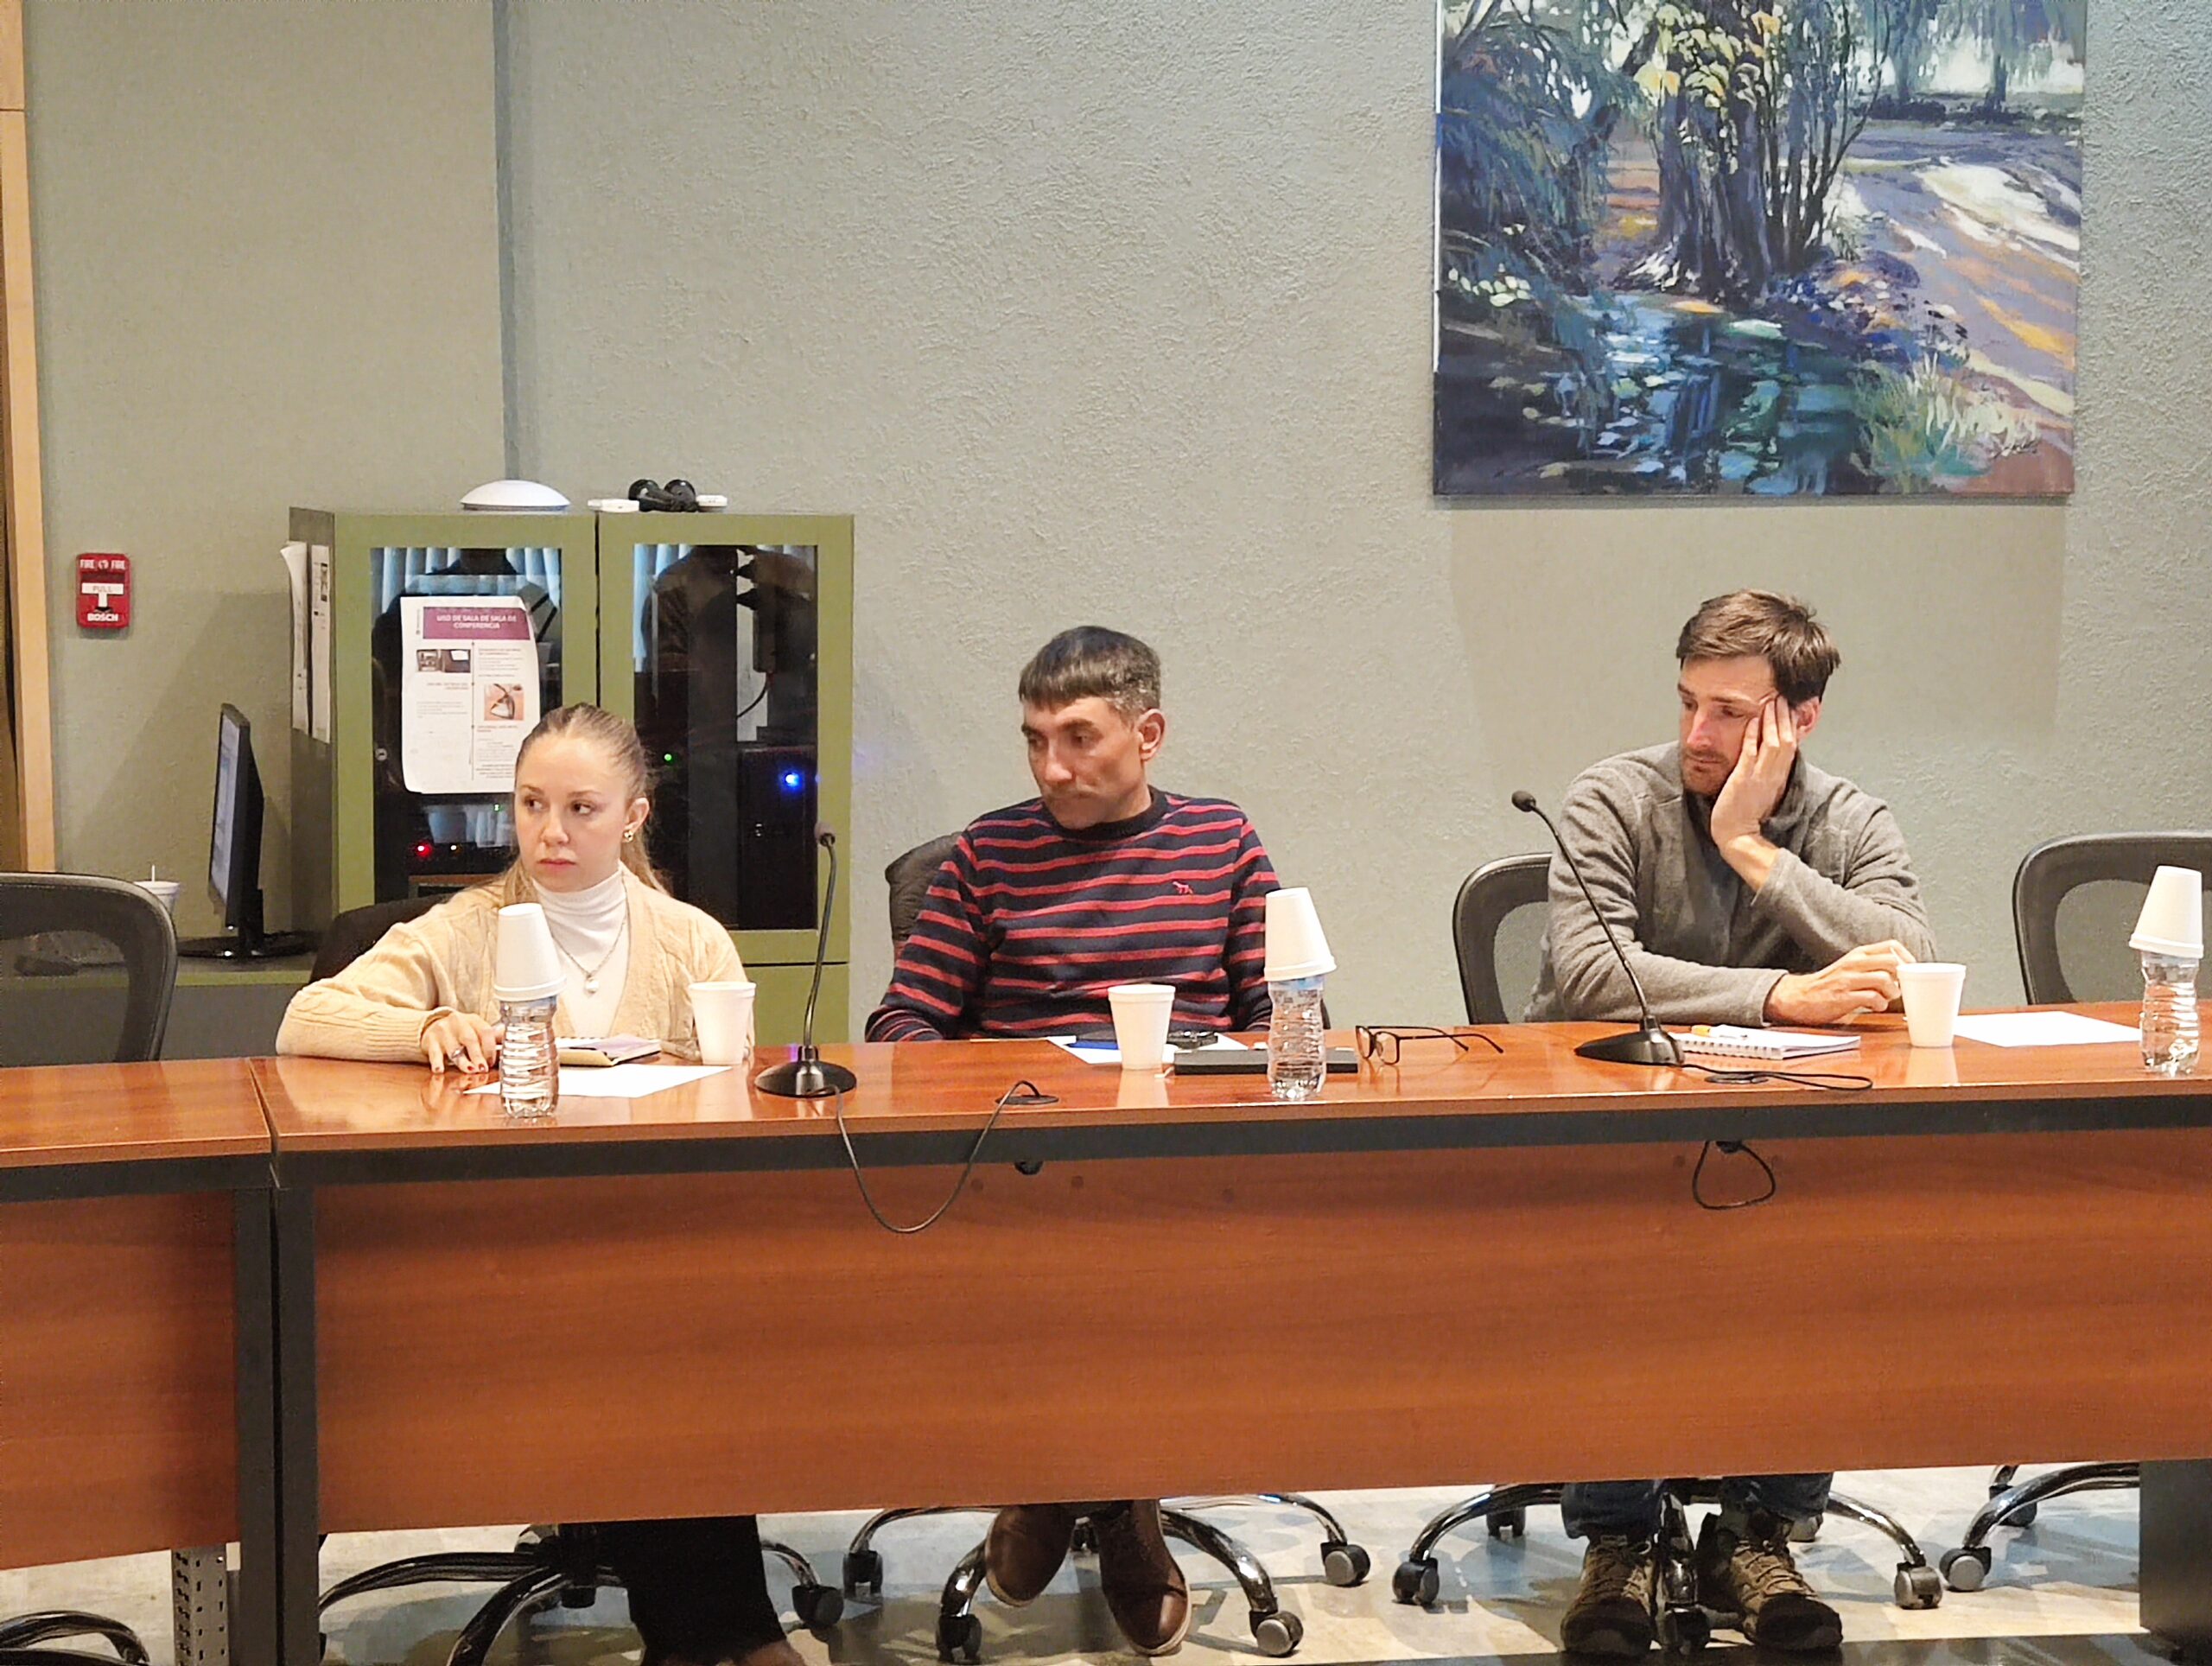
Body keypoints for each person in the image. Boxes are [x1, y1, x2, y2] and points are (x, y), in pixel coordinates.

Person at [277, 703, 798, 1666]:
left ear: (633, 817)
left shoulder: (691, 941)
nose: (550, 832)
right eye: (529, 805)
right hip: (492, 1244)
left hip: (648, 1236)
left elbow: (731, 1102)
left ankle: (713, 1635)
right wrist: (423, 1027)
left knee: (672, 1336)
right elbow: (308, 1018)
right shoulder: (468, 927)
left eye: (580, 808)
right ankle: (725, 1636)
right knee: (640, 1342)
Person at [1527, 591, 1936, 1658]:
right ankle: (1618, 1537)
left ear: (1798, 718)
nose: (1697, 734)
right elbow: (1591, 973)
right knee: (1614, 1260)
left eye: (1729, 713)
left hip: (1787, 1139)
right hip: (1608, 1133)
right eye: (1687, 703)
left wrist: (1749, 845)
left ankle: (1757, 1533)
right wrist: (1780, 995)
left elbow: (1908, 962)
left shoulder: (1849, 820)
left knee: (1822, 1252)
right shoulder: (1610, 798)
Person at [866, 626, 1280, 1655]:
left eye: (1079, 737)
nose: (1052, 767)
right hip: (1028, 1158)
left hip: (1181, 1160)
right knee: (1076, 1269)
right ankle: (1075, 1485)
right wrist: (990, 1092)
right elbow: (902, 1021)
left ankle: (1105, 1491)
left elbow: (1281, 1017)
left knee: (1155, 1270)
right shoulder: (990, 852)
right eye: (1034, 739)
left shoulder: (1222, 840)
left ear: (1149, 734)